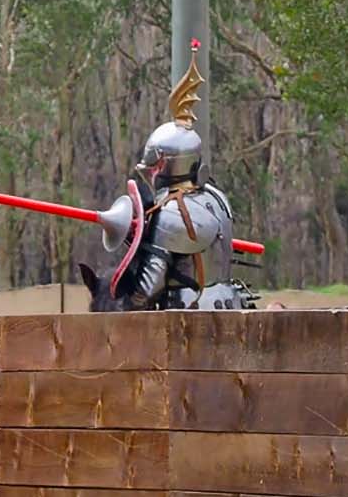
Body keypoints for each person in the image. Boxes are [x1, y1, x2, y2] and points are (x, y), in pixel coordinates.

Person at [95, 47, 243, 311]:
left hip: (188, 313)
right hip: (229, 303)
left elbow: (151, 285)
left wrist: (127, 304)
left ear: (166, 164)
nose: (152, 173)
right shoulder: (216, 197)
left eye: (154, 166)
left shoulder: (171, 214)